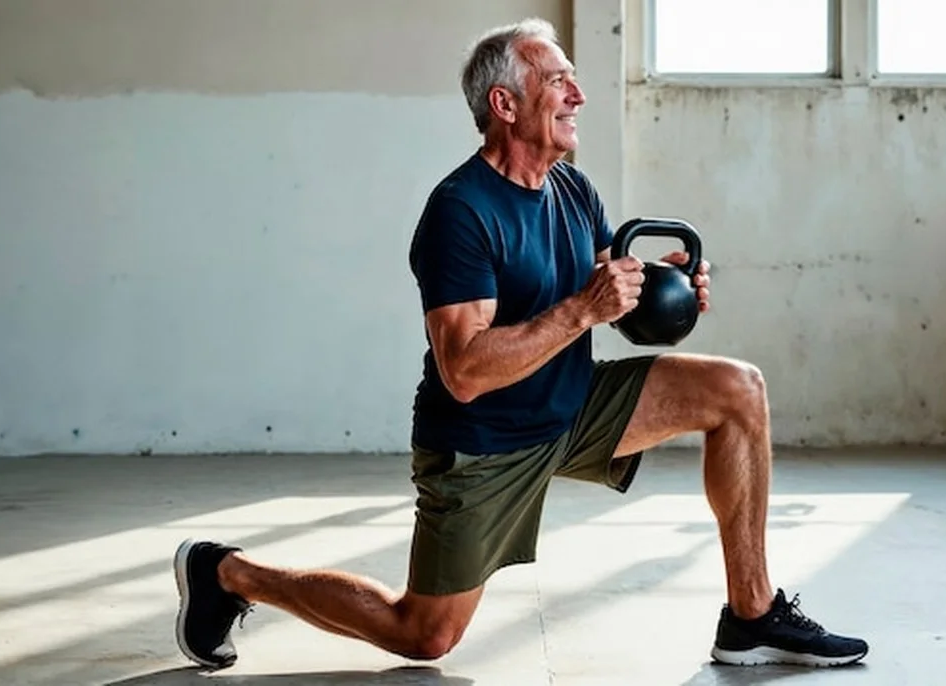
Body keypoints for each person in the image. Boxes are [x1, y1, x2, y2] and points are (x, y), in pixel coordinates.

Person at [171, 17, 869, 671]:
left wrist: (663, 288)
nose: (578, 96)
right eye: (558, 82)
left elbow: (608, 299)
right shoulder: (460, 212)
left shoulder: (572, 189)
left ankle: (751, 616)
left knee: (736, 390)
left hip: (571, 406)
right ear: (504, 105)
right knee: (425, 634)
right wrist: (583, 310)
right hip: (484, 441)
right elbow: (465, 370)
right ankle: (228, 574)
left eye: (573, 80)